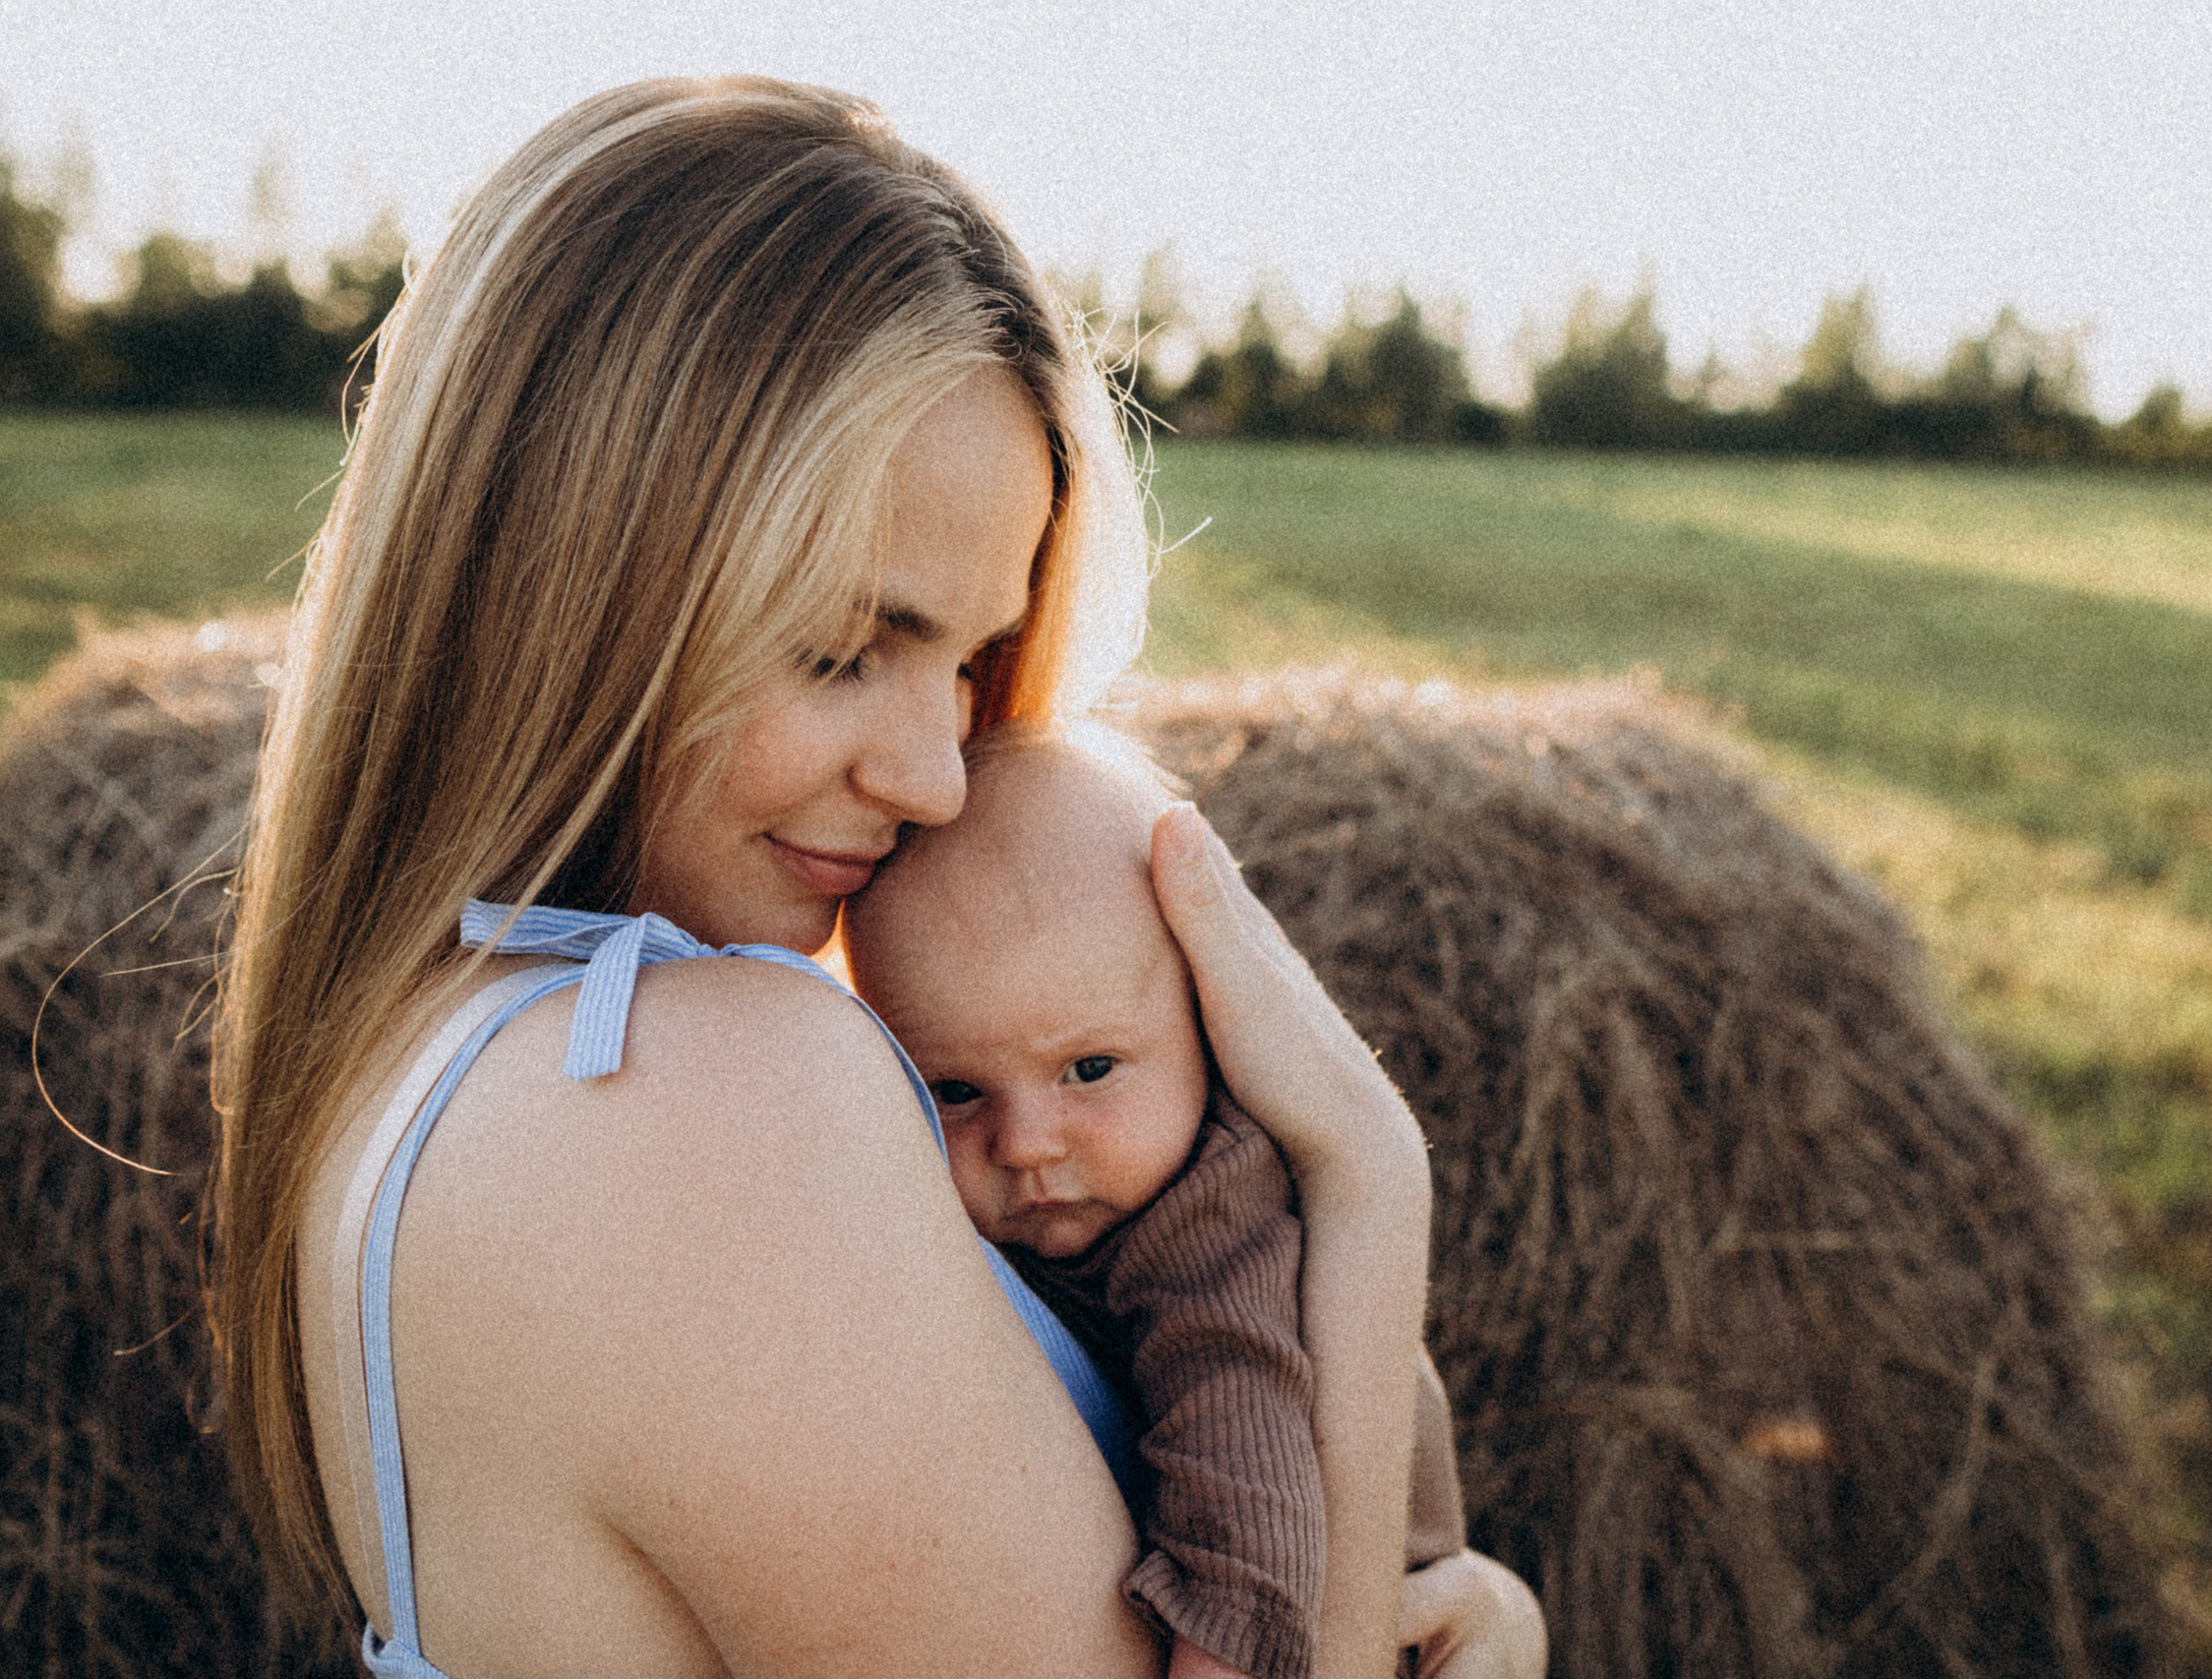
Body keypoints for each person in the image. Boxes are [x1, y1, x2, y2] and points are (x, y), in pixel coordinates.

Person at [209, 75, 1544, 1679]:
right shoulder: (691, 1104)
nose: (933, 773)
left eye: (974, 658)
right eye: (847, 649)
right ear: (572, 574)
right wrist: (1368, 1170)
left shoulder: (446, 1038)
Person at [847, 724, 1470, 1679]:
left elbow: (1250, 1519)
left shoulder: (1211, 1232)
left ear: (1206, 1029)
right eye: (955, 1091)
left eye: (1088, 1070)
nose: (1026, 1144)